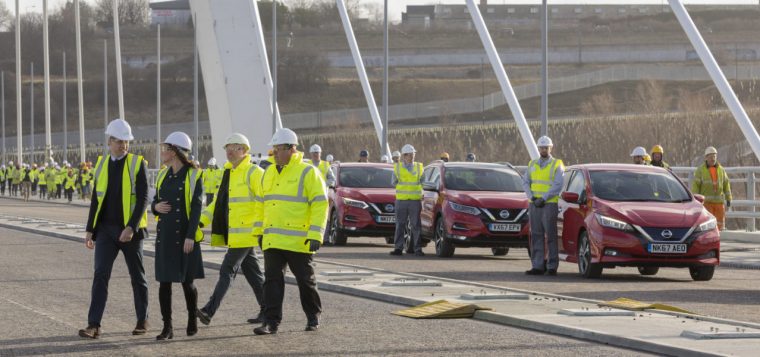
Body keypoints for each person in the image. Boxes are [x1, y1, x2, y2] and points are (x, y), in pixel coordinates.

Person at [79, 119, 150, 339]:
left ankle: (142, 320)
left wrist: (131, 227)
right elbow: (95, 199)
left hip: (130, 232)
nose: (124, 146)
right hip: (106, 231)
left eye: (126, 142)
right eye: (119, 141)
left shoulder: (138, 163)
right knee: (100, 275)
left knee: (137, 276)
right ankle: (94, 325)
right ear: (109, 142)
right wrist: (90, 229)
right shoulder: (100, 165)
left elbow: (143, 198)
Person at [254, 128, 328, 335]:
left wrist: (316, 234)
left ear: (291, 149)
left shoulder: (307, 172)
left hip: (299, 240)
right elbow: (261, 204)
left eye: (277, 149)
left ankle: (313, 316)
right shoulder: (268, 172)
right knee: (272, 282)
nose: (274, 153)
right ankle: (271, 322)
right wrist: (259, 232)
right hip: (272, 239)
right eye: (273, 150)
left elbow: (320, 204)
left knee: (305, 281)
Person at [196, 133, 266, 327]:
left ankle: (209, 311)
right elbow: (216, 205)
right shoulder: (227, 173)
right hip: (235, 235)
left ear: (244, 150)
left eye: (234, 147)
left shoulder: (254, 173)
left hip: (247, 233)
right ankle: (268, 310)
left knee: (227, 270)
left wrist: (260, 230)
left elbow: (264, 203)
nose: (229, 151)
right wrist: (200, 222)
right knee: (254, 274)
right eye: (227, 147)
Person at [152, 132, 205, 340]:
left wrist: (191, 235)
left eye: (165, 148)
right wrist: (154, 207)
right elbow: (155, 201)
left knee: (187, 282)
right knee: (164, 283)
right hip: (165, 236)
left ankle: (192, 317)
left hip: (185, 236)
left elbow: (197, 207)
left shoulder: (194, 175)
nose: (162, 152)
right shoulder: (163, 175)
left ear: (174, 152)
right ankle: (168, 327)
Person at [523, 136, 565, 276]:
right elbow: (526, 182)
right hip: (534, 204)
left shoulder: (557, 164)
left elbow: (558, 184)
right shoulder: (532, 164)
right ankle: (538, 266)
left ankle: (552, 266)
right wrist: (532, 197)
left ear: (550, 148)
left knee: (551, 236)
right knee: (536, 235)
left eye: (546, 148)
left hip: (548, 204)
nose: (543, 150)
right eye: (541, 147)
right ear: (538, 148)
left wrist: (544, 198)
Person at [389, 144, 425, 257]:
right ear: (404, 156)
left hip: (415, 201)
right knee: (400, 224)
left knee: (416, 225)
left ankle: (417, 249)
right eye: (410, 155)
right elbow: (393, 182)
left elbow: (424, 182)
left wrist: (422, 192)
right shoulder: (397, 167)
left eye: (414, 154)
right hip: (402, 200)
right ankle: (398, 248)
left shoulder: (419, 167)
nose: (413, 156)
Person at [691, 146, 732, 230]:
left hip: (719, 204)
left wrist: (729, 198)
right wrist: (695, 200)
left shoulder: (721, 170)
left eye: (714, 156)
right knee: (708, 226)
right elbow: (696, 186)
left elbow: (726, 184)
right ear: (706, 158)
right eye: (710, 157)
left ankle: (720, 239)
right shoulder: (700, 170)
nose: (713, 159)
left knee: (719, 225)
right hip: (707, 203)